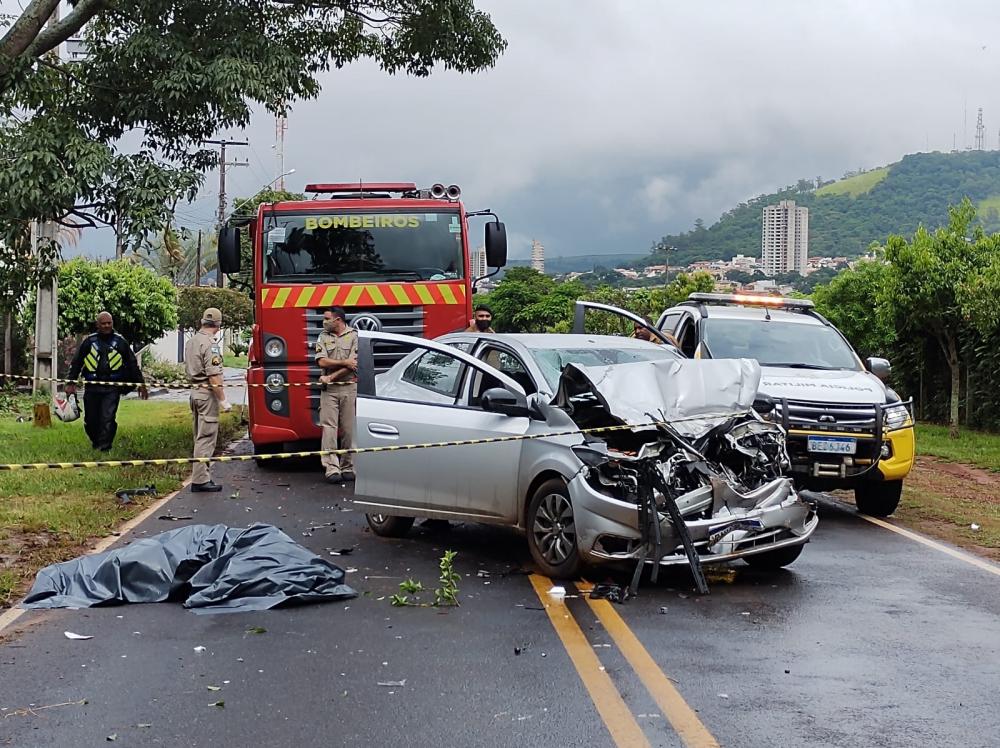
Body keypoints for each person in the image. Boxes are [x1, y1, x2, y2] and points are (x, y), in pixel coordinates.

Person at [66, 311, 147, 451]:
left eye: (109, 323)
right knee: (90, 421)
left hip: (112, 388)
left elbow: (132, 364)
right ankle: (96, 442)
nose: (106, 326)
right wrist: (70, 383)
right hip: (91, 387)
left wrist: (141, 384)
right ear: (97, 325)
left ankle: (104, 448)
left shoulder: (120, 341)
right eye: (103, 323)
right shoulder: (89, 342)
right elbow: (77, 363)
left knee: (107, 419)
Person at [184, 307, 231, 493]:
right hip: (206, 394)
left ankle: (200, 476)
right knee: (206, 437)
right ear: (218, 326)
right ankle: (201, 479)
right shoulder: (210, 345)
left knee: (199, 435)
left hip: (194, 392)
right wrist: (223, 400)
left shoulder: (192, 341)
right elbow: (214, 376)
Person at [315, 307, 358, 484]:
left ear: (338, 320)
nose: (324, 322)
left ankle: (348, 466)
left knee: (349, 430)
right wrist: (344, 362)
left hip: (349, 387)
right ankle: (331, 468)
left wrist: (331, 376)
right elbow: (321, 361)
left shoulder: (354, 336)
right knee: (329, 429)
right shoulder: (323, 337)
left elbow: (354, 364)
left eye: (327, 319)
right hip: (329, 391)